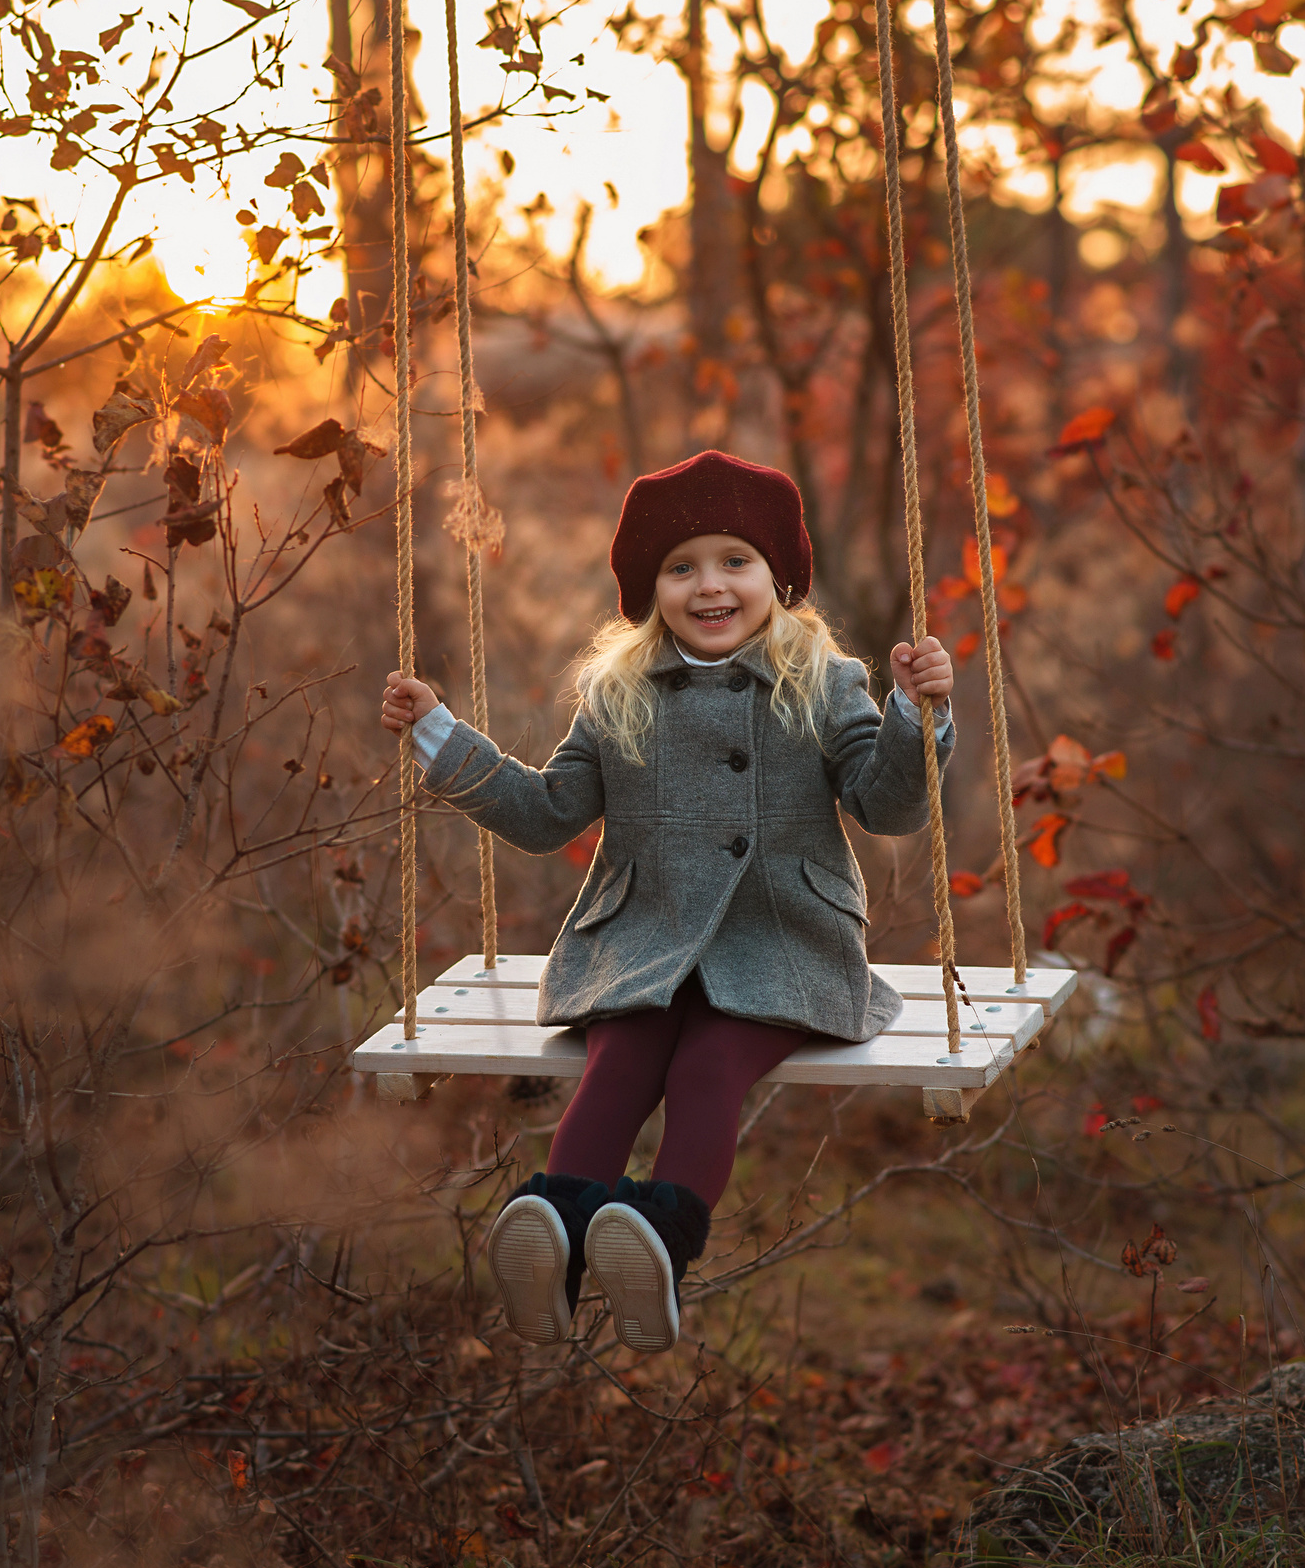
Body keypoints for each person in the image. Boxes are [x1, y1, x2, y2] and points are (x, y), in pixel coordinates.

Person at [378, 451, 955, 1353]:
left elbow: (886, 805)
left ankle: (658, 1237)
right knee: (622, 1061)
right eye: (681, 567)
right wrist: (441, 737)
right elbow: (544, 813)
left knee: (709, 1068)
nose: (709, 584)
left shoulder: (825, 680)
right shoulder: (617, 693)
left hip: (785, 937)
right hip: (641, 938)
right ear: (650, 590)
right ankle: (556, 1242)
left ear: (779, 577)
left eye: (735, 560)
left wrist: (916, 718)